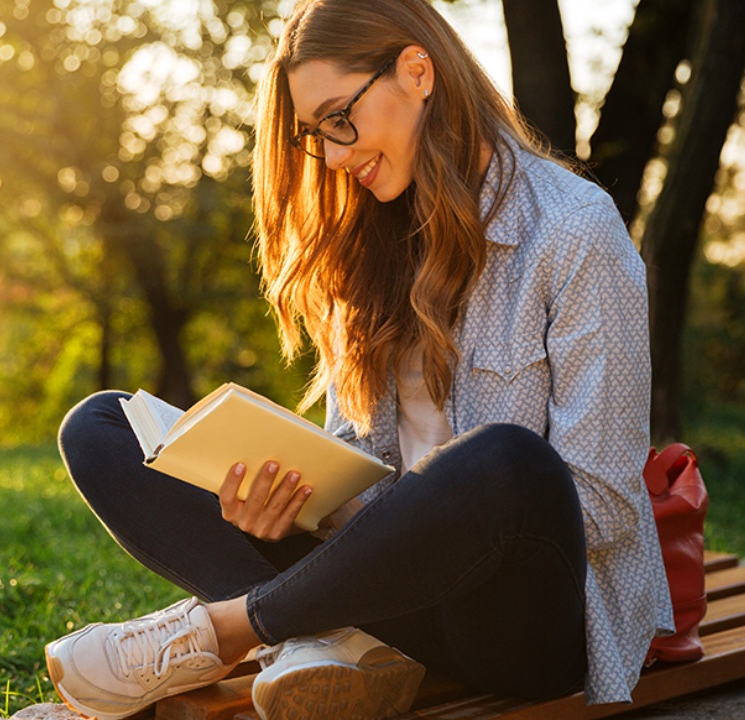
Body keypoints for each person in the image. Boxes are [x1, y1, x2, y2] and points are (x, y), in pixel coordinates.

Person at [45, 0, 674, 718]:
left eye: (340, 118)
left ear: (416, 71)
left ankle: (228, 629)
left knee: (505, 462)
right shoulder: (368, 239)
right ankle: (323, 637)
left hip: (517, 624)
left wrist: (412, 524)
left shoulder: (575, 232)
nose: (336, 155)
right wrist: (300, 504)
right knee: (102, 428)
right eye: (318, 135)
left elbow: (603, 505)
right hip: (379, 598)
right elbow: (355, 467)